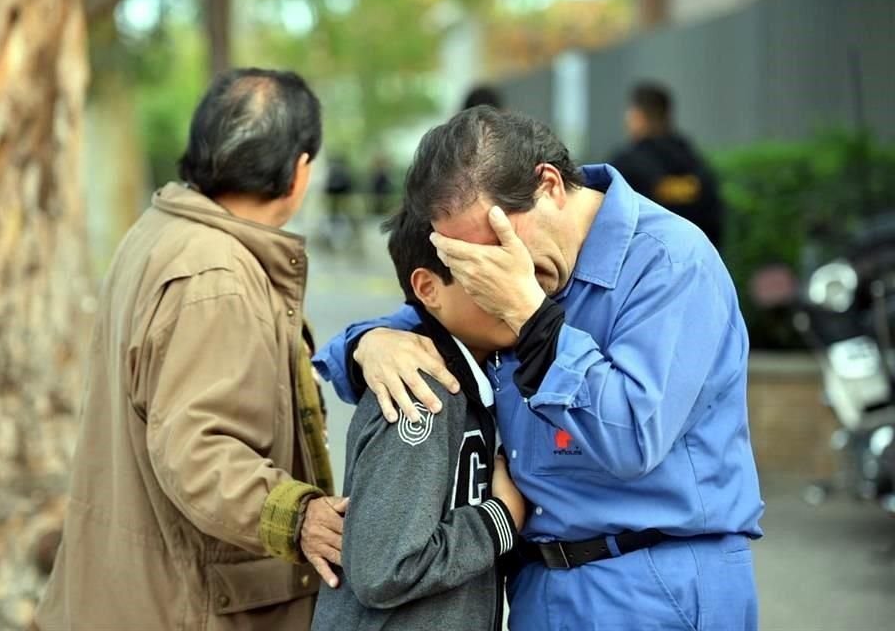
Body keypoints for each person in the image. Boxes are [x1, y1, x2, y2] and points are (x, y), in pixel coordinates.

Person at [314, 106, 764, 630]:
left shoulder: (669, 263)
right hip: (537, 587)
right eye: (469, 265)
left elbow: (631, 438)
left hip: (653, 583)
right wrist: (369, 342)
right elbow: (397, 337)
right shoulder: (500, 276)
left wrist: (531, 316)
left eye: (497, 249)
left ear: (548, 185)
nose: (491, 277)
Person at [35, 68, 346, 631]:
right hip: (180, 608)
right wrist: (296, 516)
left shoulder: (160, 232)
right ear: (300, 172)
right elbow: (198, 450)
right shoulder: (216, 276)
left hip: (128, 595)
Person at [311, 208, 525, 631]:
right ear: (428, 287)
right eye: (485, 269)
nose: (514, 286)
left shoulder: (475, 379)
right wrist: (500, 518)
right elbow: (384, 568)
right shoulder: (421, 388)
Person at [610, 81, 726, 249]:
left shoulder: (625, 165)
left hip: (646, 262)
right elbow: (715, 222)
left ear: (638, 117)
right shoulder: (694, 162)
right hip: (696, 258)